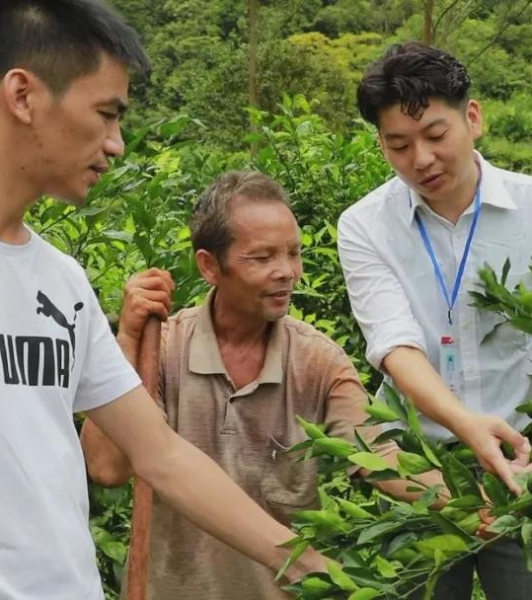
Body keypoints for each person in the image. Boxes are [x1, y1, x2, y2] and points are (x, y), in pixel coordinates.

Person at [0, 1, 320, 597]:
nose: (116, 144)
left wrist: (312, 567)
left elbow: (161, 455)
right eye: (105, 114)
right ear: (23, 95)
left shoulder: (61, 282)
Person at [80, 170, 447, 600]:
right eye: (262, 258)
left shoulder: (316, 361)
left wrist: (480, 503)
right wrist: (126, 339)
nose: (286, 272)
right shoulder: (162, 350)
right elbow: (107, 468)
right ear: (209, 265)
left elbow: (379, 457)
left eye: (293, 254)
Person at [337, 42, 532, 600]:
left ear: (473, 118)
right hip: (418, 467)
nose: (419, 159)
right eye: (398, 145)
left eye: (435, 136)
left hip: (525, 459)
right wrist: (467, 426)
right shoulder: (365, 226)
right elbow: (395, 347)